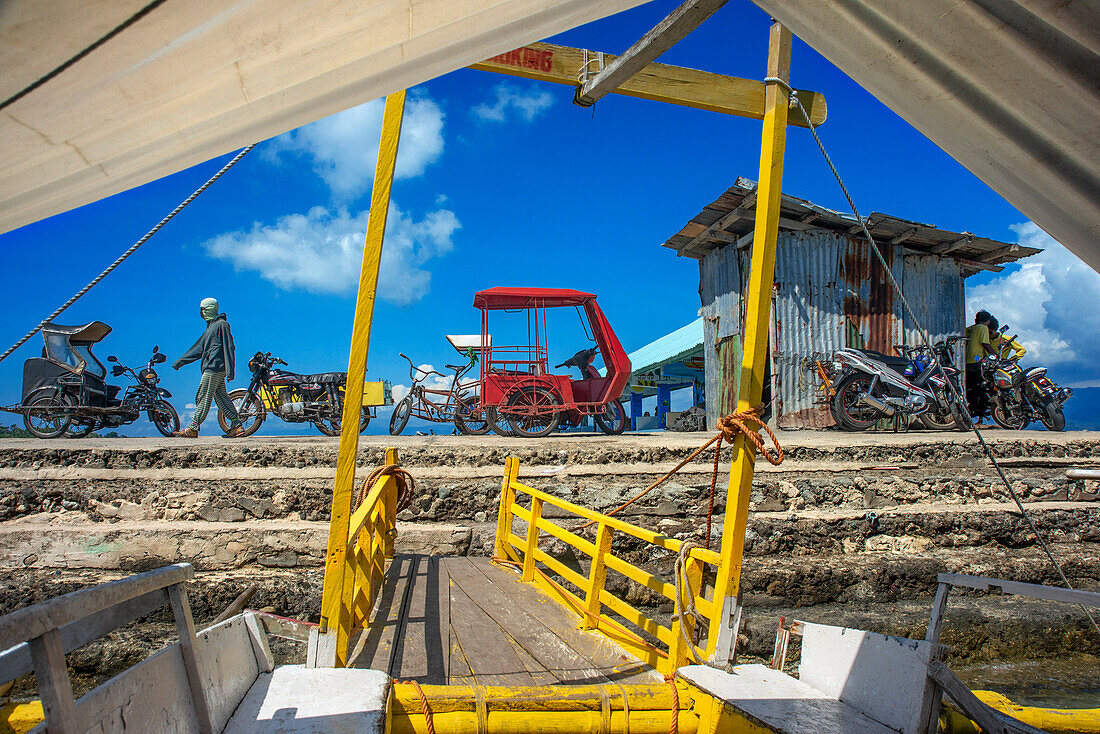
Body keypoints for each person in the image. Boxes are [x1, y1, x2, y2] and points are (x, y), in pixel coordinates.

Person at [171, 298, 243, 438]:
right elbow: (199, 348)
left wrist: (230, 371)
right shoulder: (211, 327)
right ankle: (237, 426)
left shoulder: (222, 325)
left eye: (203, 309)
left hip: (214, 367)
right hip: (214, 367)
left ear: (209, 309)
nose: (201, 312)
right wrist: (180, 362)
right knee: (221, 398)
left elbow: (229, 347)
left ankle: (193, 428)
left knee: (203, 395)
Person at [964, 310, 996, 420]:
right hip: (976, 362)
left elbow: (964, 332)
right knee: (982, 387)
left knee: (971, 388)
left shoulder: (973, 328)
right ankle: (980, 409)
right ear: (987, 321)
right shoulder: (983, 328)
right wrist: (995, 356)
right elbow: (985, 344)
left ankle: (974, 410)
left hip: (967, 362)